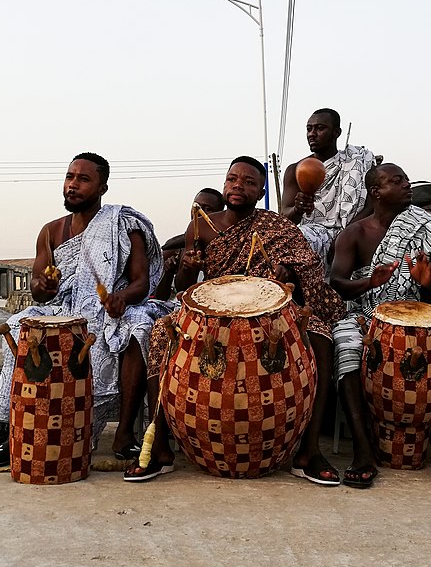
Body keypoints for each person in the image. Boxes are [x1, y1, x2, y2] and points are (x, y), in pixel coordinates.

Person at [125, 156, 346, 484]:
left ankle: (308, 452)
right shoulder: (200, 225)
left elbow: (307, 266)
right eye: (232, 179)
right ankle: (158, 450)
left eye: (249, 182)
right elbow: (185, 286)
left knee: (320, 334)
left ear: (260, 193)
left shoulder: (276, 225)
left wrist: (288, 274)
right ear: (224, 184)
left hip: (269, 312)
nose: (238, 186)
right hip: (211, 314)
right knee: (159, 331)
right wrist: (187, 265)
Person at [0, 152, 167, 467]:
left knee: (139, 328)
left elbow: (141, 282)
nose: (73, 185)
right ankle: (16, 433)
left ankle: (124, 436)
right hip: (64, 305)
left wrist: (121, 298)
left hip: (112, 307)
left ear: (102, 187)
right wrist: (43, 287)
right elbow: (39, 285)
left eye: (83, 179)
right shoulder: (51, 231)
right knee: (17, 326)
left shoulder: (122, 224)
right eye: (69, 177)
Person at [330, 163, 431, 494]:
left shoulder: (427, 228)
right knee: (346, 347)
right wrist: (371, 281)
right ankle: (363, 452)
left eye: (406, 179)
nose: (406, 184)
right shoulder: (353, 234)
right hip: (365, 316)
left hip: (425, 317)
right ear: (376, 192)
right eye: (396, 181)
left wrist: (427, 282)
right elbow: (337, 283)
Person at [281, 108, 376, 271]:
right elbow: (285, 218)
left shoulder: (355, 162)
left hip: (352, 231)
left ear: (336, 132)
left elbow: (370, 207)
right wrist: (298, 209)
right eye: (309, 129)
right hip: (308, 236)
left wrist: (344, 237)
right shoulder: (295, 170)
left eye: (320, 128)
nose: (312, 134)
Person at [152, 188, 224, 301]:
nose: (198, 211)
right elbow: (159, 298)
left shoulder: (225, 246)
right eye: (196, 206)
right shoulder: (174, 248)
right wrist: (168, 273)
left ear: (220, 213)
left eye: (208, 209)